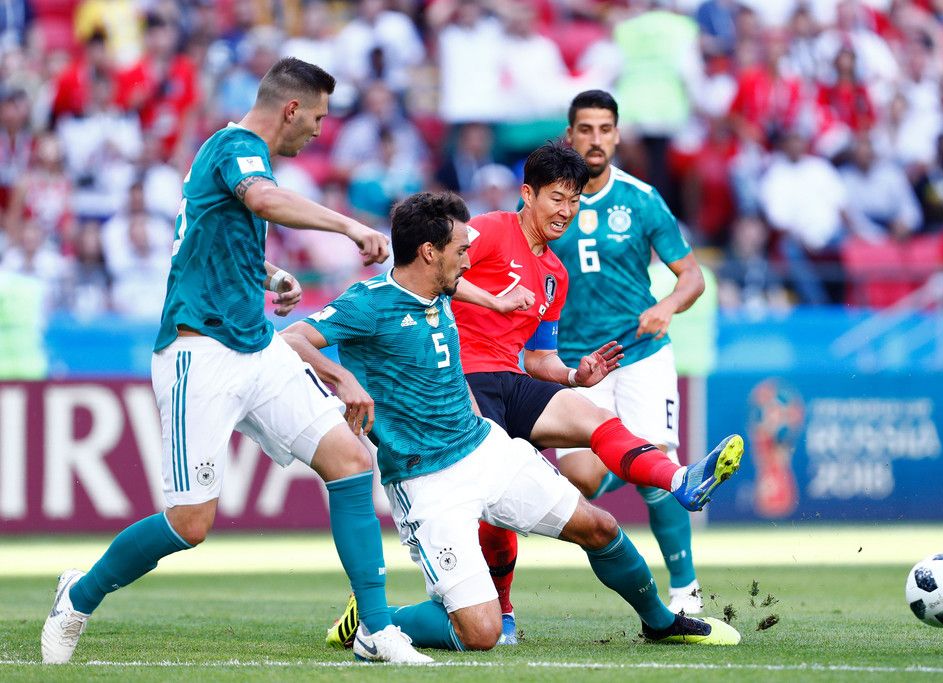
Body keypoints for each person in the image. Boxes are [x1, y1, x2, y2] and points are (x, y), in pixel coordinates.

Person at [40, 57, 430, 666]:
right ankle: (79, 595)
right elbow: (264, 200)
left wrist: (270, 276)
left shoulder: (226, 155)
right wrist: (350, 228)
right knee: (189, 523)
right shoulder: (238, 147)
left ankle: (375, 630)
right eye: (317, 118)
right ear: (291, 109)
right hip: (199, 354)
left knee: (351, 461)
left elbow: (209, 237)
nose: (319, 132)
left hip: (256, 344)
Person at [283, 191, 741, 652]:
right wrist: (341, 378)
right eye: (462, 250)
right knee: (480, 633)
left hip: (484, 449)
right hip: (425, 480)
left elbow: (459, 321)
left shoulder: (439, 289)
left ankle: (662, 623)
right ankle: (376, 620)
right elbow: (291, 338)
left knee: (598, 527)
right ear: (429, 252)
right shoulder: (368, 303)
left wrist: (498, 309)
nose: (469, 260)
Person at [450, 142, 743, 644]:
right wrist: (493, 301)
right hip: (460, 378)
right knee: (496, 496)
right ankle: (503, 611)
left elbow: (539, 357)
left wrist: (574, 375)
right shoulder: (491, 229)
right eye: (556, 198)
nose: (566, 211)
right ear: (528, 194)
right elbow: (433, 274)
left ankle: (680, 479)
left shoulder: (555, 275)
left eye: (574, 200)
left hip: (512, 379)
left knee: (595, 417)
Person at [548, 89, 712, 618]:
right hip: (577, 364)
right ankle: (645, 464)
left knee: (658, 466)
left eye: (605, 129)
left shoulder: (641, 199)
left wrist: (667, 305)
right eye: (585, 129)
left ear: (617, 135)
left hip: (641, 352)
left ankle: (686, 591)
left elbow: (692, 276)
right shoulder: (548, 205)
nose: (595, 140)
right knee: (582, 479)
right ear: (569, 136)